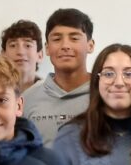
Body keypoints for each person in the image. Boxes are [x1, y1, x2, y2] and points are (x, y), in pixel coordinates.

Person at [23, 8, 94, 145]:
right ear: (47, 48)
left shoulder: (106, 94)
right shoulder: (28, 99)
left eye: (74, 38)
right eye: (57, 39)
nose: (65, 46)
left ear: (90, 45)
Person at [1, 19, 44, 94]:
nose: (20, 52)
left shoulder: (52, 93)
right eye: (13, 45)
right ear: (3, 55)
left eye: (28, 45)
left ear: (40, 56)